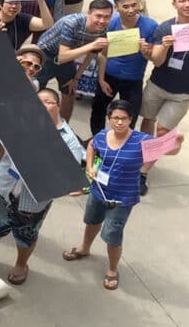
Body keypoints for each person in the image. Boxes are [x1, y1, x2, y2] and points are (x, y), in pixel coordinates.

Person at [63, 100, 180, 290]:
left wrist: (177, 142)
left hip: (122, 198)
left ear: (130, 120)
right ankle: (85, 248)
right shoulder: (101, 136)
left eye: (124, 119)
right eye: (115, 118)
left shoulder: (141, 140)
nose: (119, 122)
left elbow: (169, 149)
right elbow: (92, 147)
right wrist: (91, 166)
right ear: (109, 119)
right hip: (98, 191)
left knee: (113, 234)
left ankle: (112, 269)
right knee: (92, 221)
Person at [0, 88, 86, 285]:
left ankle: (21, 263)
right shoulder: (20, 123)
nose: (42, 105)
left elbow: (68, 173)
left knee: (26, 235)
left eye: (48, 102)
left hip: (34, 200)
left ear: (58, 106)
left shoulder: (68, 139)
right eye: (38, 101)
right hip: (5, 188)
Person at [139, 0, 189, 192]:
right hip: (157, 85)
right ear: (174, 4)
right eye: (182, 1)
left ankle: (143, 172)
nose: (187, 4)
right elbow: (156, 60)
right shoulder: (165, 28)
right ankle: (145, 157)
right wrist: (164, 46)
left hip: (182, 93)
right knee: (147, 121)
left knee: (163, 132)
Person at [89, 0, 158, 136]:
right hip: (109, 77)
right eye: (125, 7)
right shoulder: (111, 24)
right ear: (116, 8)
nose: (131, 10)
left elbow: (154, 57)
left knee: (129, 118)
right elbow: (103, 54)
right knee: (98, 110)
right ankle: (98, 144)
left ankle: (120, 149)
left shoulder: (151, 25)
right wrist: (101, 80)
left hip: (133, 80)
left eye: (134, 5)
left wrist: (146, 51)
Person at [35, 0, 114, 122]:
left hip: (68, 57)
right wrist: (91, 45)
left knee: (70, 92)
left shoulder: (102, 30)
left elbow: (90, 55)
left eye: (107, 17)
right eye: (98, 16)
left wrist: (76, 78)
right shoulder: (71, 23)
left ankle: (62, 128)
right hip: (45, 56)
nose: (102, 21)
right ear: (89, 13)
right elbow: (62, 56)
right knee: (35, 94)